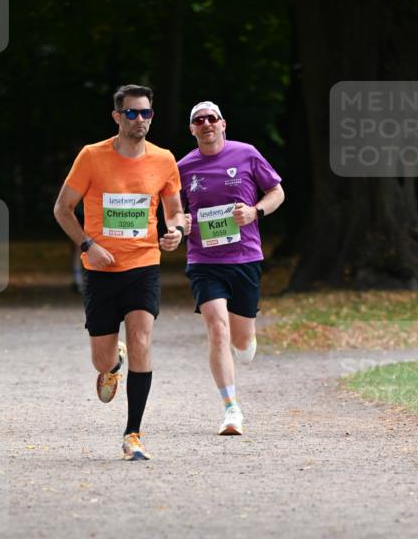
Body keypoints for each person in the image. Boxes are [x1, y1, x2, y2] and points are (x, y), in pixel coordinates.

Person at [54, 84, 185, 460]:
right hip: (100, 269)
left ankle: (133, 434)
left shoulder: (163, 159)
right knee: (101, 356)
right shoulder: (92, 156)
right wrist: (87, 245)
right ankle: (112, 366)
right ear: (117, 116)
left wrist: (174, 231)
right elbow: (63, 209)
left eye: (145, 113)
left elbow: (174, 211)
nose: (139, 119)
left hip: (144, 265)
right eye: (131, 113)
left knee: (143, 339)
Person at [177, 101, 284, 435]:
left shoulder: (247, 154)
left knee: (242, 341)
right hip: (204, 261)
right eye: (199, 120)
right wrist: (182, 223)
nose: (206, 123)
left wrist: (255, 212)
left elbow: (276, 191)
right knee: (217, 328)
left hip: (245, 258)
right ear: (192, 129)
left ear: (223, 124)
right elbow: (171, 212)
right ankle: (231, 409)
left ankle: (247, 341)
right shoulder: (183, 167)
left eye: (212, 118)